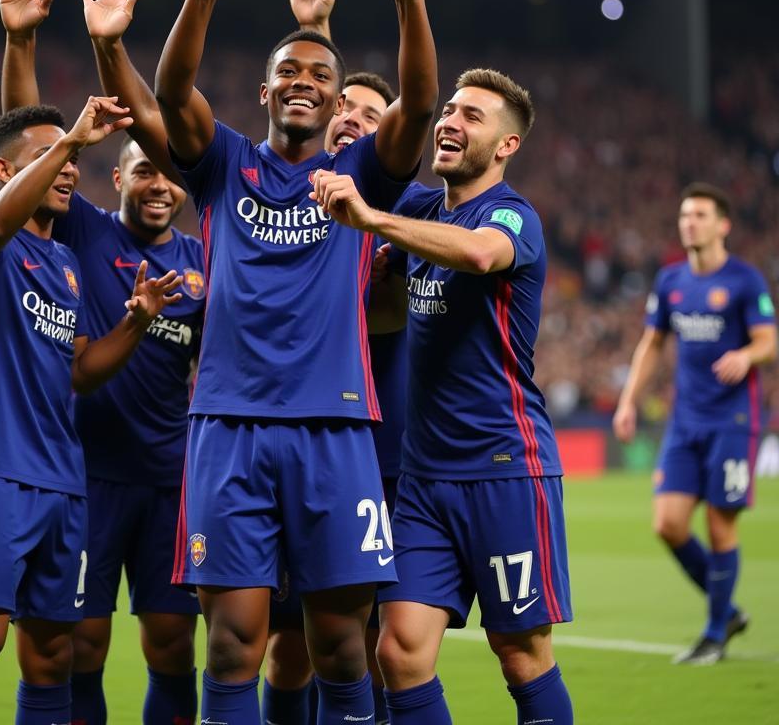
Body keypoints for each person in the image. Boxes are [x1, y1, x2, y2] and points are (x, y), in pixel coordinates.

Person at [152, 0, 441, 725]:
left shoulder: (357, 177)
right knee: (235, 643)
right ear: (266, 93)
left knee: (342, 644)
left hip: (336, 427)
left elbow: (418, 104)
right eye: (291, 73)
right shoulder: (224, 164)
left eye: (321, 72)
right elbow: (173, 94)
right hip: (229, 425)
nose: (307, 82)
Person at [311, 68, 573, 724]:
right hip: (424, 479)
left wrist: (373, 218)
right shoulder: (422, 210)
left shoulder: (512, 215)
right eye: (449, 110)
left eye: (472, 117)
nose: (451, 122)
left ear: (506, 146)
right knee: (398, 652)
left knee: (519, 651)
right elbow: (379, 307)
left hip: (504, 468)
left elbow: (481, 256)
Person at [0, 97, 182, 725]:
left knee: (52, 655)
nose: (69, 171)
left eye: (72, 161)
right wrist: (70, 141)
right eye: (49, 158)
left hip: (65, 485)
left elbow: (81, 371)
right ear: (6, 169)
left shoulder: (65, 265)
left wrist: (137, 323)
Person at [0, 0, 204, 725]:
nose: (161, 184)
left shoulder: (200, 263)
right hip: (86, 476)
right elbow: (33, 148)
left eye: (171, 177)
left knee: (171, 644)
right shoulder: (84, 232)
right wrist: (22, 43)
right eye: (144, 171)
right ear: (114, 179)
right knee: (78, 644)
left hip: (170, 477)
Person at [262, 0, 407, 725]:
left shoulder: (402, 200)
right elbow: (301, 97)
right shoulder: (290, 187)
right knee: (287, 639)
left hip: (381, 448)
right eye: (344, 105)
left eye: (367, 116)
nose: (348, 115)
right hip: (293, 430)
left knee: (369, 639)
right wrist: (312, 25)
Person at [613, 182, 777, 665]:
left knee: (720, 525)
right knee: (667, 523)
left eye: (701, 215)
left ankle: (714, 632)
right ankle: (726, 609)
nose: (690, 222)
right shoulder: (670, 281)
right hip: (685, 422)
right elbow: (652, 345)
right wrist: (628, 401)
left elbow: (770, 340)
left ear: (722, 224)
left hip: (733, 419)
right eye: (685, 215)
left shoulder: (745, 281)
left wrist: (746, 355)